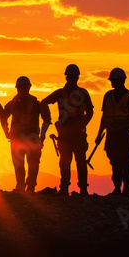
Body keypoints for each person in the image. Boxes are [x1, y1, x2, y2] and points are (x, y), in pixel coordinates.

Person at [41, 64, 94, 196]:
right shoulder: (72, 93)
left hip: (74, 133)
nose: (72, 80)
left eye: (73, 77)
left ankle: (78, 189)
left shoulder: (68, 93)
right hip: (69, 133)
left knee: (77, 161)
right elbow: (43, 103)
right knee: (68, 161)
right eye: (71, 77)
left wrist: (82, 125)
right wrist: (48, 119)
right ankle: (69, 188)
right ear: (67, 78)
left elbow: (90, 112)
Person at [95, 68, 129, 197]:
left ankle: (126, 190)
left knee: (126, 162)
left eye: (115, 81)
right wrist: (99, 134)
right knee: (115, 162)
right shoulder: (108, 96)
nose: (112, 83)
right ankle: (117, 188)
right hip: (112, 135)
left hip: (125, 134)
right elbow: (104, 117)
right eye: (112, 81)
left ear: (122, 81)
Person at [1, 76, 51, 192]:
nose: (23, 90)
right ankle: (25, 187)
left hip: (22, 139)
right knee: (26, 163)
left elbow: (3, 117)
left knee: (25, 163)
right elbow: (47, 120)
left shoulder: (17, 104)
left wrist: (6, 132)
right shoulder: (29, 103)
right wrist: (42, 136)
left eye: (24, 88)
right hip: (25, 139)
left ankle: (25, 186)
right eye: (22, 88)